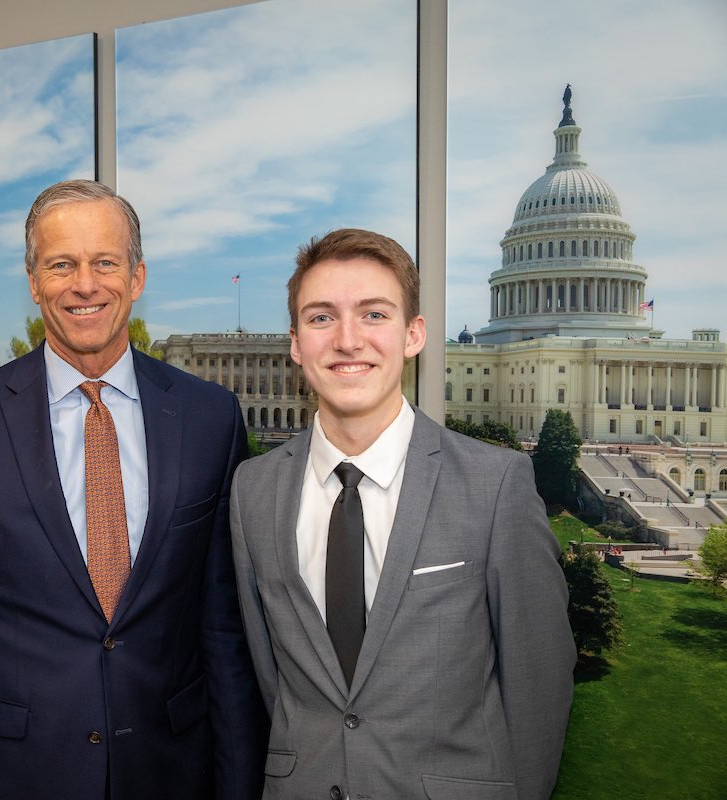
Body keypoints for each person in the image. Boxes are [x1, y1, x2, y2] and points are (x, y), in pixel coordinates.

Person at [0, 179, 267, 799]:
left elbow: (223, 632)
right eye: (61, 264)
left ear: (137, 277)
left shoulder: (210, 418)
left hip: (170, 772)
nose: (84, 284)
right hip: (9, 777)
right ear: (34, 281)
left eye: (105, 263)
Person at [229, 229, 574, 799]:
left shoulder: (494, 484)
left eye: (373, 314)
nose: (347, 340)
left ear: (413, 334)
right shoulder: (253, 490)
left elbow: (538, 684)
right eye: (321, 318)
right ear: (295, 343)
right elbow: (270, 677)